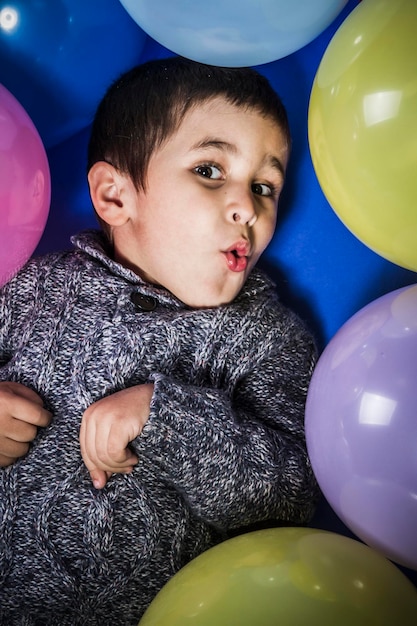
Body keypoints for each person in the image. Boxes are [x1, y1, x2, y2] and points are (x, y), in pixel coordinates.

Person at [0, 57, 319, 625]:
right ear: (115, 197)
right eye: (210, 171)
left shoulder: (268, 339)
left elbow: (290, 498)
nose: (248, 207)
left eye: (265, 186)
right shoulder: (38, 286)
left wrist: (165, 418)